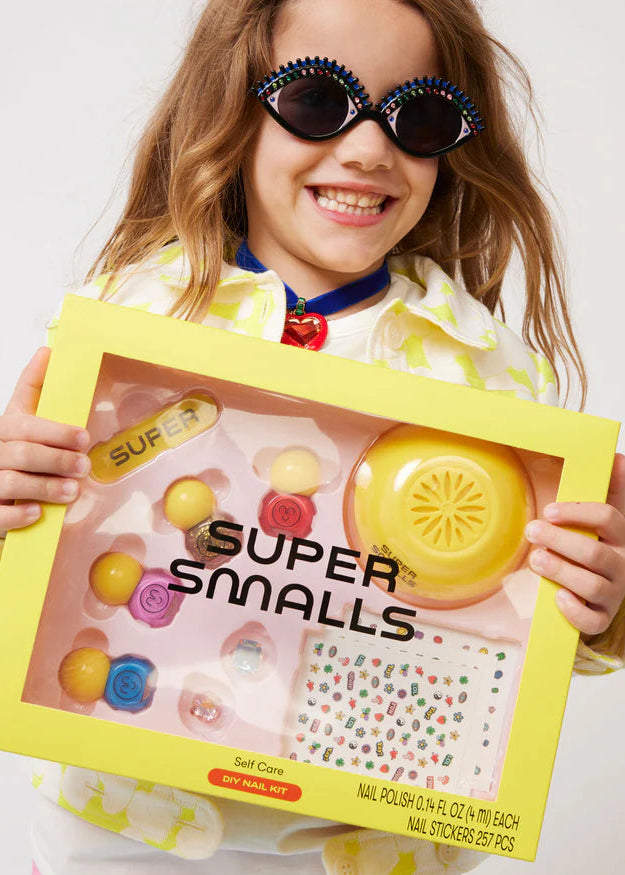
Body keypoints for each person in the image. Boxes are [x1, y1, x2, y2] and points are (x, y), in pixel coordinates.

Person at [1, 0, 624, 872]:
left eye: (421, 116)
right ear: (232, 107)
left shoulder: (487, 372)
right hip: (122, 835)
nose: (368, 149)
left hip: (373, 847)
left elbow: (512, 628)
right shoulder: (131, 318)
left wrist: (599, 611)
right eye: (317, 101)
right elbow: (47, 573)